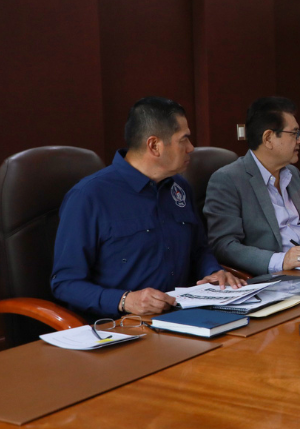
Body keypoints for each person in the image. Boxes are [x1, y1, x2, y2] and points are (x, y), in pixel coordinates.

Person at [51, 97, 244, 319]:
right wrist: (125, 300)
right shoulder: (89, 196)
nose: (191, 148)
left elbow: (199, 250)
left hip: (182, 316)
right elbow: (65, 283)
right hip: (120, 325)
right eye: (184, 139)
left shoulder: (180, 188)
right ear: (154, 145)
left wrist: (213, 272)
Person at [204, 97, 300, 276]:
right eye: (294, 134)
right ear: (268, 138)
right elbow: (224, 245)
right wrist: (281, 260)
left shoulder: (292, 174)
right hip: (275, 278)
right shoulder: (228, 180)